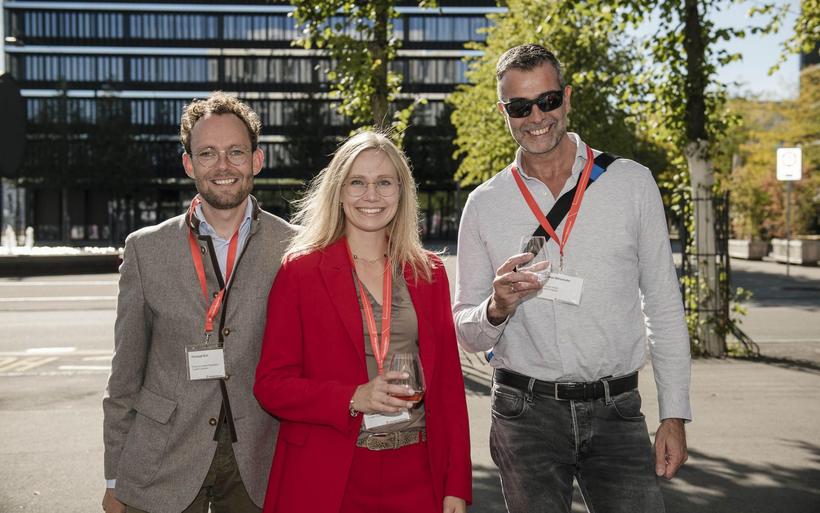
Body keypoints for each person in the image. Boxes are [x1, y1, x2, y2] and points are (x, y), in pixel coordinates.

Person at [453, 44, 691, 513]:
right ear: (504, 112)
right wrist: (496, 308)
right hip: (523, 413)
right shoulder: (484, 204)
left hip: (617, 408)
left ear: (566, 98)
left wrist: (675, 413)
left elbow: (664, 304)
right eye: (520, 107)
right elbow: (466, 330)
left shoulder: (632, 183)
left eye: (547, 101)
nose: (536, 117)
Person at [253, 130, 471, 513]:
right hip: (330, 476)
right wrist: (354, 397)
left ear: (401, 192)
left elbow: (449, 387)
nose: (372, 195)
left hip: (418, 475)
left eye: (384, 182)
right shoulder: (300, 272)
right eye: (358, 182)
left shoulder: (429, 272)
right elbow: (271, 386)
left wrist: (456, 484)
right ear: (339, 191)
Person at [102, 92, 294, 513]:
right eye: (207, 153)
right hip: (161, 459)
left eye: (235, 152)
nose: (223, 166)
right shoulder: (146, 250)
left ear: (256, 160)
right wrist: (115, 476)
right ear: (189, 164)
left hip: (260, 460)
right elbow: (125, 375)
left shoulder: (295, 248)